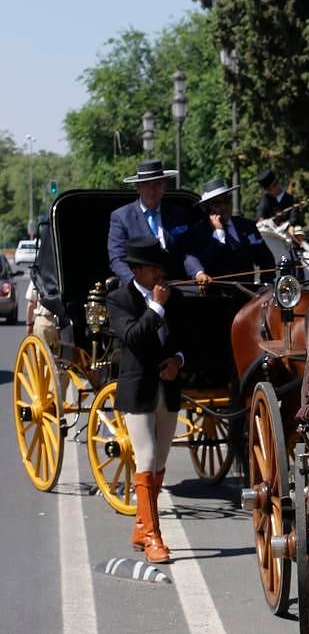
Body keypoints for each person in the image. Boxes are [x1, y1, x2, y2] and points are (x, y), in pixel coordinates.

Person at [106, 237, 189, 564]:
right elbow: (135, 337)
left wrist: (178, 361)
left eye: (160, 267)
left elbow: (185, 337)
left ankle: (142, 527)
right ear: (137, 270)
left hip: (168, 387)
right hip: (137, 388)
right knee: (148, 456)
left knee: (161, 462)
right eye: (153, 267)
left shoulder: (174, 296)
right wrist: (156, 306)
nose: (160, 272)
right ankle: (154, 537)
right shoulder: (119, 300)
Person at [108, 159, 191, 284]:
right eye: (147, 185)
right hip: (136, 289)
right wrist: (137, 284)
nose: (152, 190)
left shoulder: (177, 214)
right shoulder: (121, 217)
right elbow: (117, 259)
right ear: (137, 187)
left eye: (157, 184)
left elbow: (187, 252)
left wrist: (198, 272)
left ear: (164, 186)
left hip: (173, 286)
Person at [181, 178, 276, 284]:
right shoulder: (196, 233)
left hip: (248, 296)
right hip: (216, 297)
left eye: (227, 200)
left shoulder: (247, 226)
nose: (224, 207)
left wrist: (263, 289)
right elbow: (204, 263)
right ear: (206, 208)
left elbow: (267, 260)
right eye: (217, 204)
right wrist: (218, 232)